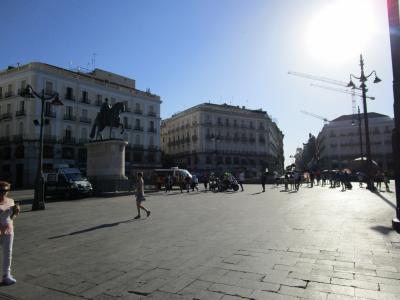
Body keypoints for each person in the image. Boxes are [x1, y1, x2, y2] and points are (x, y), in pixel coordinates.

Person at [0, 181, 20, 285]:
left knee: (8, 253)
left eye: (6, 190)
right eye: (1, 190)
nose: (4, 192)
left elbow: (12, 217)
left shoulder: (11, 201)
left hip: (9, 231)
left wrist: (16, 212)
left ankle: (6, 276)